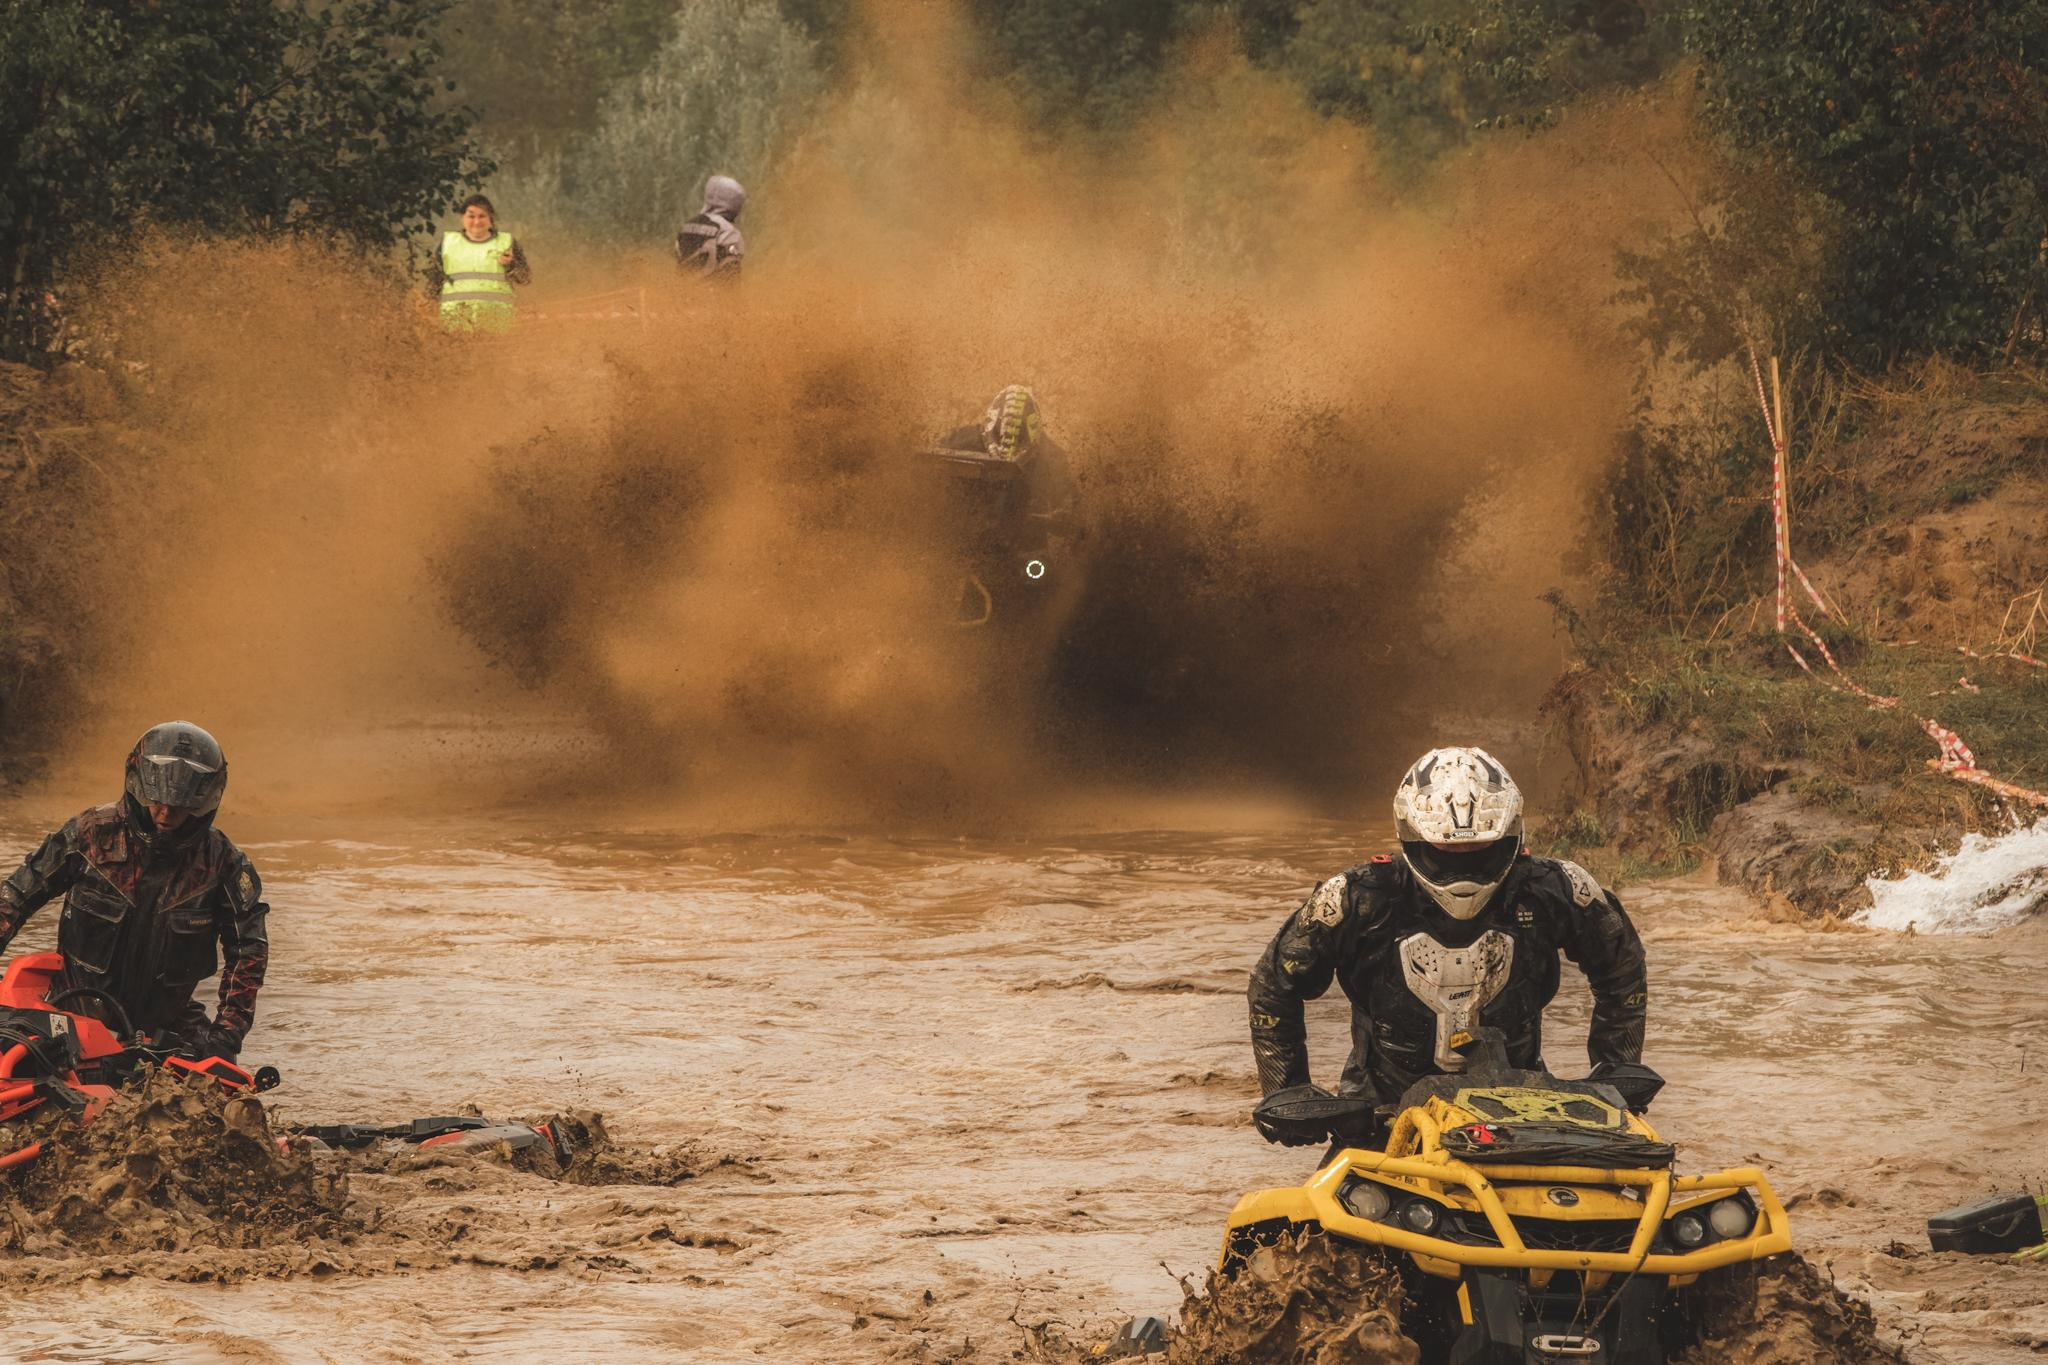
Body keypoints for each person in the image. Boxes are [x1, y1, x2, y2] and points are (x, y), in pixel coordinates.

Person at [1247, 746, 1648, 1148]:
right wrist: (1288, 1091)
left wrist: (1616, 1068)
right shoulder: (1355, 898)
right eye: (1448, 852)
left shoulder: (1557, 889)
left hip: (1524, 1112)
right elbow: (1273, 987)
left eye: (1479, 851)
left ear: (1511, 836)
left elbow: (1622, 969)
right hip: (1380, 1118)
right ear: (1412, 835)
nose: (1464, 865)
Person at [0, 723, 269, 1061]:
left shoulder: (223, 863)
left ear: (204, 802)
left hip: (168, 1029)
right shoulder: (90, 835)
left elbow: (249, 951)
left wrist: (226, 1036)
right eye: (157, 800)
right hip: (71, 1016)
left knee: (231, 1104)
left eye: (181, 805)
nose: (166, 813)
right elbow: (14, 899)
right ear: (138, 785)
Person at [936, 384, 1078, 526]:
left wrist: (1060, 516)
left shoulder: (1052, 460)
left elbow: (1071, 513)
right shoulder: (960, 442)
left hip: (1025, 542)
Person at [428, 194, 530, 333]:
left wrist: (511, 265)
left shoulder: (507, 243)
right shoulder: (447, 243)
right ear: (462, 218)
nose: (476, 222)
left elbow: (524, 278)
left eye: (482, 216)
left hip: (497, 327)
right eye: (471, 216)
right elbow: (433, 285)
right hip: (455, 328)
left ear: (491, 219)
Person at [675, 175, 746, 281]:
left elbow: (679, 258)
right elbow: (730, 272)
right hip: (711, 293)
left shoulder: (687, 226)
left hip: (683, 292)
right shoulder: (728, 231)